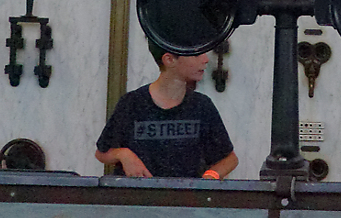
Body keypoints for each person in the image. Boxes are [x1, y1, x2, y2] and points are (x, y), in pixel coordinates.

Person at [95, 48, 238, 179]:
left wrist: (210, 176)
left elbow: (230, 158)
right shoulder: (132, 103)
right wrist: (123, 154)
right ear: (169, 60)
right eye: (196, 55)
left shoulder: (202, 106)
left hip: (186, 196)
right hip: (139, 196)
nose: (205, 59)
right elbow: (102, 152)